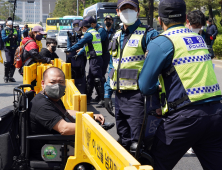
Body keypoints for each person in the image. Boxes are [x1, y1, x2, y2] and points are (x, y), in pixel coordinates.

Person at [138, 0, 222, 169]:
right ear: (185, 18)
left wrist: (159, 89)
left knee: (154, 162)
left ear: (160, 20)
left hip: (185, 118)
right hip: (215, 114)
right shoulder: (198, 39)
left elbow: (145, 85)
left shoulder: (161, 42)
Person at [104, 0, 159, 154]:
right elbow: (111, 66)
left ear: (138, 11)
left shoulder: (149, 34)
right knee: (123, 140)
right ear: (118, 12)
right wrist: (107, 93)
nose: (127, 12)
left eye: (131, 8)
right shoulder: (116, 35)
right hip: (119, 97)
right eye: (124, 9)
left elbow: (158, 66)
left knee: (138, 143)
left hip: (138, 97)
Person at [29, 67, 105, 160]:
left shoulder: (50, 98)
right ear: (43, 84)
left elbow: (65, 112)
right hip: (47, 150)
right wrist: (92, 126)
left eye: (61, 82)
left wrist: (90, 116)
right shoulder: (42, 104)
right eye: (52, 82)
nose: (57, 86)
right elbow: (64, 128)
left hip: (57, 142)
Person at [67, 20, 104, 106]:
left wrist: (69, 49)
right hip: (95, 58)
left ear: (84, 27)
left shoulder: (88, 34)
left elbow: (80, 44)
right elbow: (85, 47)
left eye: (81, 28)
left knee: (97, 78)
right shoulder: (94, 32)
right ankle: (87, 98)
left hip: (95, 57)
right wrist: (79, 53)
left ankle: (102, 99)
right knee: (90, 78)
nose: (81, 30)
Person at [84, 16, 110, 106]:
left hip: (102, 55)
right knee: (91, 76)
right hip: (97, 55)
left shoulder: (100, 30)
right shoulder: (94, 30)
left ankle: (103, 98)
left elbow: (96, 41)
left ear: (92, 24)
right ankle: (89, 97)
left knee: (99, 76)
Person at [66, 20, 87, 94]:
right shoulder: (70, 35)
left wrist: (82, 50)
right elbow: (68, 47)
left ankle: (82, 92)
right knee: (72, 74)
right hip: (72, 58)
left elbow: (86, 45)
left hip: (81, 58)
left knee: (81, 74)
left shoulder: (85, 35)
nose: (77, 31)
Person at [1, 18, 19, 83]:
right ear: (6, 23)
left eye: (10, 20)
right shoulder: (4, 30)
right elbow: (3, 39)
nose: (10, 21)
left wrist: (16, 37)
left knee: (14, 63)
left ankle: (11, 77)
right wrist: (9, 36)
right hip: (8, 48)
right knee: (8, 62)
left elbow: (19, 38)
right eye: (8, 20)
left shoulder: (15, 30)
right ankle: (6, 76)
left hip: (14, 48)